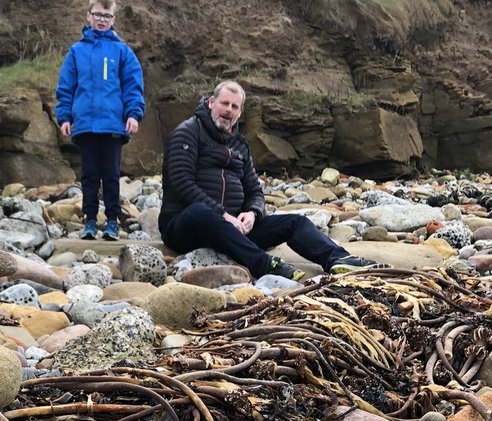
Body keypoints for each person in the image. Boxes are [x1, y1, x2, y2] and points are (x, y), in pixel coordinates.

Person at [159, 80, 385, 280]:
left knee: (296, 222)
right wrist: (223, 215)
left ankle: (338, 259)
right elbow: (181, 182)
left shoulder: (240, 145)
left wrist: (252, 213)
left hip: (234, 230)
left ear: (240, 112)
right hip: (185, 227)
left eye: (234, 106)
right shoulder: (187, 132)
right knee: (201, 211)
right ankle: (266, 266)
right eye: (224, 103)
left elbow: (255, 191)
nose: (228, 110)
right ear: (211, 103)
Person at [56, 0, 145, 241]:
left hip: (113, 126)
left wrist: (134, 114)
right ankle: (90, 221)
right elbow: (66, 87)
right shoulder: (76, 51)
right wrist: (64, 117)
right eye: (97, 14)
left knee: (112, 176)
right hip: (84, 125)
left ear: (114, 19)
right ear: (88, 16)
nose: (102, 19)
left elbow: (132, 86)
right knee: (89, 176)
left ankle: (113, 222)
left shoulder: (123, 52)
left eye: (107, 15)